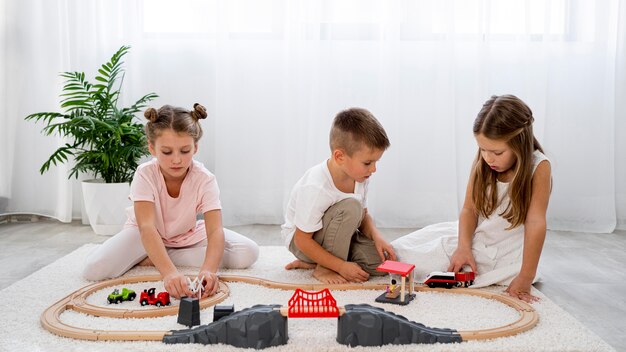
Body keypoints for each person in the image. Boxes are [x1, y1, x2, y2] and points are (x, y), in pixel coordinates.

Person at [83, 103, 259, 299]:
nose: (177, 160)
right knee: (93, 270)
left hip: (186, 234)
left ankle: (154, 257)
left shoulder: (205, 178)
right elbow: (147, 227)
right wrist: (169, 273)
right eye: (167, 152)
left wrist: (209, 270)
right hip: (143, 234)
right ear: (152, 148)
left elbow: (215, 230)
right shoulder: (145, 174)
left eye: (185, 151)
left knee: (248, 252)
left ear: (195, 148)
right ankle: (153, 254)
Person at [392, 95, 551, 303]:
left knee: (411, 260)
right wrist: (463, 246)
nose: (488, 158)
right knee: (401, 247)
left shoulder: (538, 167)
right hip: (477, 235)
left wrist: (526, 276)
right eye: (482, 149)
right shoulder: (485, 163)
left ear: (520, 143)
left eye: (497, 152)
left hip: (502, 254)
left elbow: (536, 222)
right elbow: (469, 210)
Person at [282, 107, 397, 284]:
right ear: (339, 156)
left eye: (376, 162)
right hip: (303, 242)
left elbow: (363, 216)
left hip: (339, 234)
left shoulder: (360, 175)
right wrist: (340, 267)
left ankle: (315, 262)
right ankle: (324, 267)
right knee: (351, 207)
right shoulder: (316, 186)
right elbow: (302, 240)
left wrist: (376, 236)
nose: (374, 169)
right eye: (368, 162)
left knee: (379, 264)